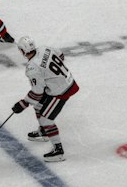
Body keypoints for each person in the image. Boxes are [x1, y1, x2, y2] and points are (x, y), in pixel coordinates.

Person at [9, 35, 79, 164]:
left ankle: (59, 151)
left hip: (62, 90)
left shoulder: (32, 68)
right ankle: (44, 133)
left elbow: (37, 93)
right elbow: (61, 55)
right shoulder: (44, 48)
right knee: (38, 105)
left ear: (23, 51)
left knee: (46, 119)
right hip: (66, 81)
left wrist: (22, 104)